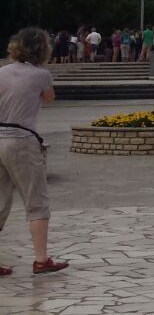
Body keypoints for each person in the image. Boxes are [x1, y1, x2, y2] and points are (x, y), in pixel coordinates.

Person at [0, 27, 69, 275]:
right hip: (22, 139)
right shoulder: (41, 75)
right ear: (43, 49)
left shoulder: (1, 72)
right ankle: (41, 259)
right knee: (35, 200)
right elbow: (49, 99)